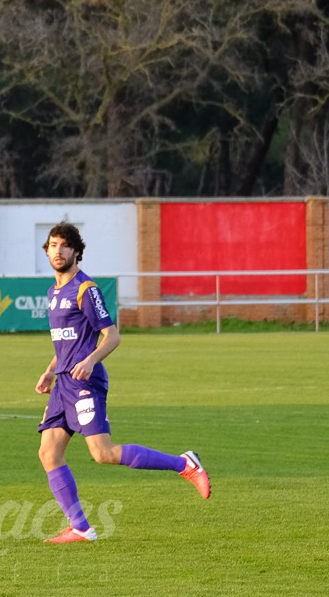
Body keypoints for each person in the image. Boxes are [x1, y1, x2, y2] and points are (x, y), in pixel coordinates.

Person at [34, 222, 211, 544]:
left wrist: (90, 361)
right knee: (48, 453)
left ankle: (184, 464)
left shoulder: (86, 290)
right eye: (52, 245)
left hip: (85, 383)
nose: (57, 251)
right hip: (63, 384)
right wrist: (50, 370)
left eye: (63, 245)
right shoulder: (53, 292)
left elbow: (112, 336)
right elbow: (67, 342)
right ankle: (81, 527)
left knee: (103, 453)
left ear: (76, 251)